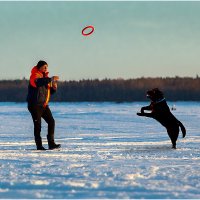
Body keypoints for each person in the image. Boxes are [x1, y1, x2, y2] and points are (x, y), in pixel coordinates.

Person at [27, 60, 61, 150]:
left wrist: (54, 87)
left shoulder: (45, 78)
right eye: (44, 66)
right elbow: (37, 82)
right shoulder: (34, 76)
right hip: (34, 105)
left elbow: (48, 93)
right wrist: (50, 79)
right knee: (38, 125)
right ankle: (39, 146)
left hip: (44, 105)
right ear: (39, 67)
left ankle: (51, 143)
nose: (46, 68)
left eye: (47, 67)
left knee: (51, 122)